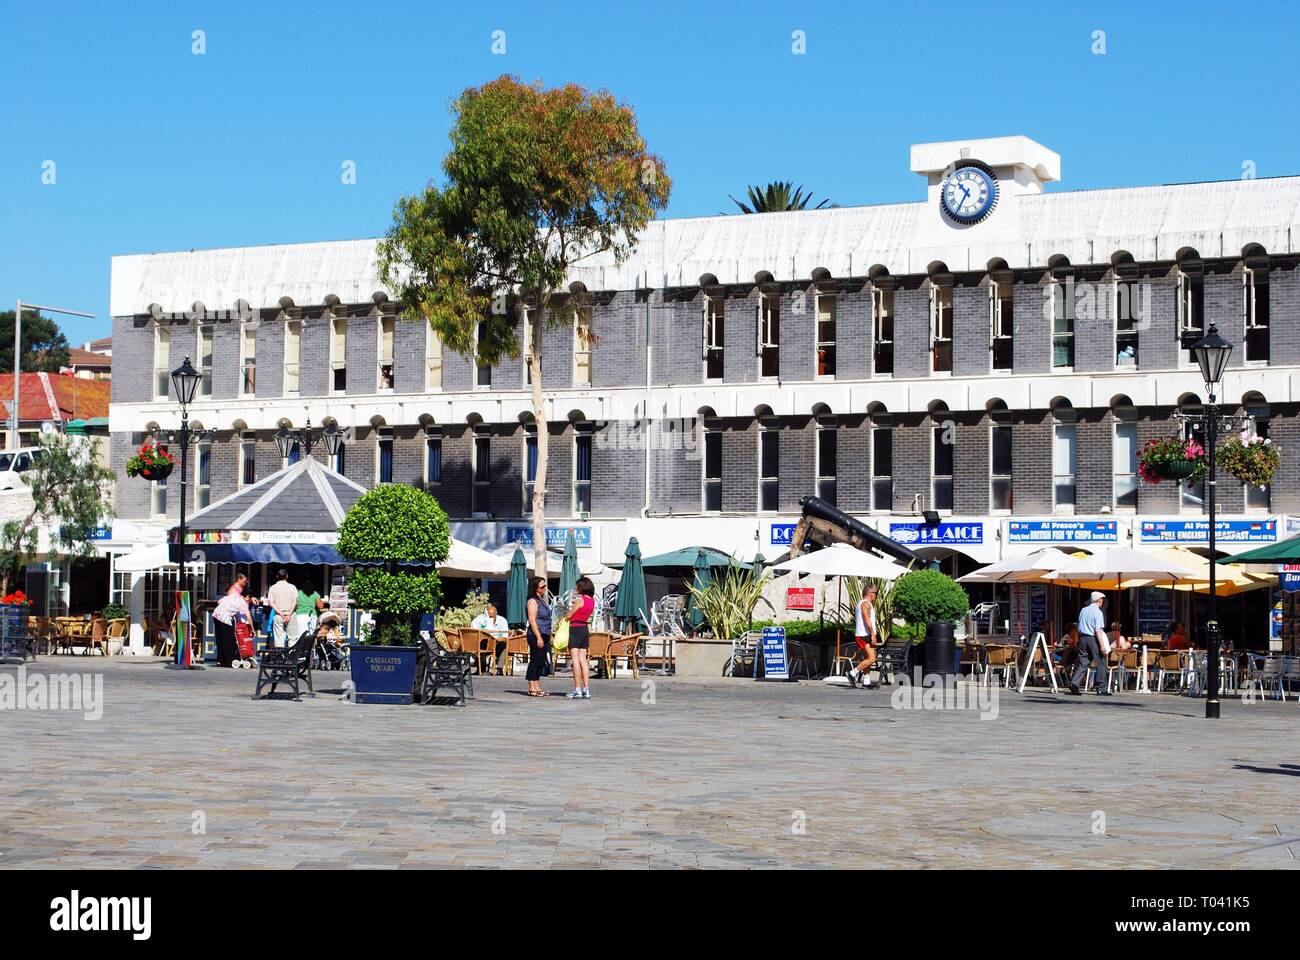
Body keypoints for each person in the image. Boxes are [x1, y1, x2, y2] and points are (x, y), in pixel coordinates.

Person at [1069, 591, 1112, 696]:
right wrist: (1102, 645)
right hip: (1093, 638)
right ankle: (1102, 688)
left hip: (1083, 638)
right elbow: (1098, 630)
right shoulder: (1098, 612)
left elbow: (1078, 626)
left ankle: (1074, 683)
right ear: (1099, 601)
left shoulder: (1083, 610)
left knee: (1083, 662)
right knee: (1101, 663)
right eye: (1102, 600)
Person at [565, 577, 596, 699]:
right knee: (583, 660)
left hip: (575, 628)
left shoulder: (580, 600)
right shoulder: (592, 601)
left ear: (582, 587)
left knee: (575, 660)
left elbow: (570, 615)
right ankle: (586, 689)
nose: (576, 588)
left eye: (578, 586)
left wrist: (566, 615)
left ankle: (577, 689)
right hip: (584, 629)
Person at [846, 584, 881, 689]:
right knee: (872, 659)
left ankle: (866, 682)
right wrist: (873, 634)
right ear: (870, 593)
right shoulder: (866, 604)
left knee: (867, 658)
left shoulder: (860, 603)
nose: (876, 596)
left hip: (862, 634)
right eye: (876, 593)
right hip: (864, 635)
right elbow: (867, 619)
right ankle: (852, 673)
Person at [212, 574, 252, 668]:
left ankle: (220, 660)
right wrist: (252, 629)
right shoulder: (242, 601)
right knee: (229, 640)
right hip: (224, 617)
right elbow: (248, 617)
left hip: (216, 614)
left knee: (220, 639)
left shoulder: (234, 595)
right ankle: (230, 661)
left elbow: (219, 601)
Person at [525, 576, 552, 697]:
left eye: (545, 586)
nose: (545, 589)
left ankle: (537, 685)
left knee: (541, 661)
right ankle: (531, 687)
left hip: (545, 633)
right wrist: (539, 637)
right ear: (536, 588)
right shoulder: (532, 601)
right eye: (542, 587)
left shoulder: (541, 600)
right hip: (536, 634)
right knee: (535, 660)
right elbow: (532, 620)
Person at [267, 569, 299, 648]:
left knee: (279, 639)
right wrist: (289, 614)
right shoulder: (292, 587)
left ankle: (280, 658)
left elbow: (271, 603)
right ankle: (291, 657)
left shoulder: (273, 588)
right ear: (287, 576)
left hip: (278, 615)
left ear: (277, 576)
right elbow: (294, 602)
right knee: (293, 638)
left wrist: (280, 613)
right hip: (291, 615)